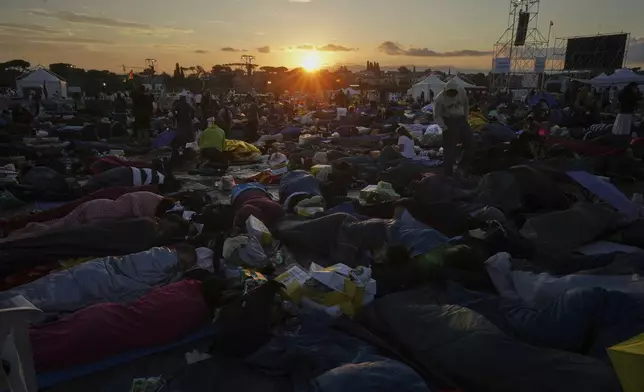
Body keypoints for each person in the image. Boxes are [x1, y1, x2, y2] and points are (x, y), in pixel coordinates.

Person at [434, 78, 474, 176]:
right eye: (449, 92)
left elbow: (466, 104)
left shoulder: (462, 92)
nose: (451, 94)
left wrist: (465, 119)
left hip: (461, 119)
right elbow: (437, 115)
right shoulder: (439, 98)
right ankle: (448, 174)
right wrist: (444, 127)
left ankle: (461, 167)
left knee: (471, 145)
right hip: (448, 120)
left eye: (453, 92)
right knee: (449, 149)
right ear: (445, 91)